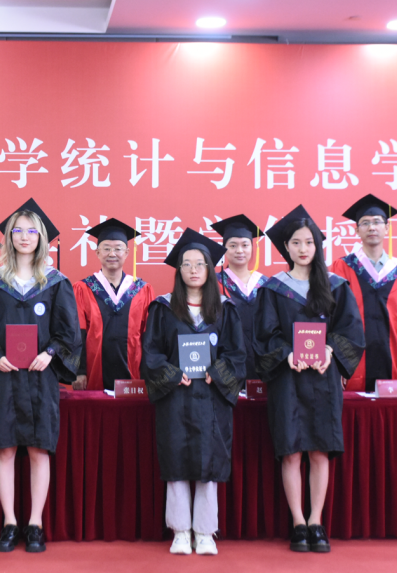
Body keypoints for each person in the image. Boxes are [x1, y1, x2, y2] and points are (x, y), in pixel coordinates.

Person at [255, 205, 365, 554]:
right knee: (290, 452)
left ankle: (316, 520)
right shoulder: (274, 289)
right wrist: (287, 354)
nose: (303, 249)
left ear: (318, 246)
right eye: (296, 243)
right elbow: (264, 336)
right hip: (287, 380)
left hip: (322, 379)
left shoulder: (335, 286)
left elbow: (351, 331)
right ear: (286, 247)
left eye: (309, 242)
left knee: (319, 451)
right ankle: (298, 523)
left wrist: (331, 350)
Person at [0, 198, 81, 553]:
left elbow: (68, 334)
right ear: (8, 237)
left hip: (39, 377)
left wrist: (50, 354)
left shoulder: (55, 283)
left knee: (38, 448)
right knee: (4, 448)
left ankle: (35, 523)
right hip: (3, 376)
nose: (24, 236)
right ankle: (9, 522)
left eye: (31, 231)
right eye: (17, 230)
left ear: (41, 237)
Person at [141, 229, 245, 556]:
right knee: (176, 461)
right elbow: (151, 353)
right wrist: (173, 374)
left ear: (211, 268)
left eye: (200, 264)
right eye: (186, 264)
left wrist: (217, 373)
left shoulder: (225, 309)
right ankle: (181, 531)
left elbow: (236, 354)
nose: (194, 270)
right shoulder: (163, 308)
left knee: (208, 464)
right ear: (179, 270)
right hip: (176, 397)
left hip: (212, 399)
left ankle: (205, 531)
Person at [329, 194, 397, 392]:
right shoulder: (342, 268)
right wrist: (338, 365)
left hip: (394, 362)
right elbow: (334, 319)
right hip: (352, 365)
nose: (372, 227)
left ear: (387, 228)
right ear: (356, 230)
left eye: (377, 222)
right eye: (365, 223)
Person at [72, 218, 155, 391]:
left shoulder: (142, 290)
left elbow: (149, 336)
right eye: (106, 248)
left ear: (127, 252)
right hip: (94, 372)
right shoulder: (83, 289)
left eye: (118, 249)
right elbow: (77, 333)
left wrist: (149, 373)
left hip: (135, 372)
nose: (112, 254)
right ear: (97, 252)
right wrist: (79, 371)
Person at [211, 214, 267, 382]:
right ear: (224, 249)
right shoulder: (214, 283)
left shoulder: (266, 284)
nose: (239, 251)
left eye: (245, 245)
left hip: (262, 360)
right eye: (233, 245)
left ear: (252, 248)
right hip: (227, 360)